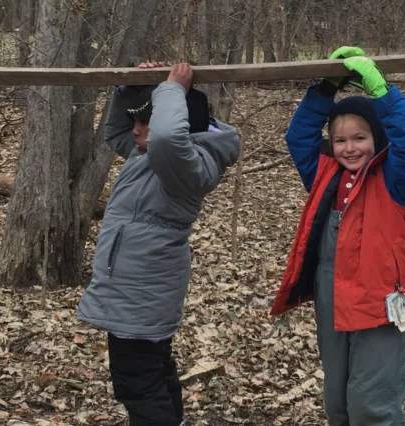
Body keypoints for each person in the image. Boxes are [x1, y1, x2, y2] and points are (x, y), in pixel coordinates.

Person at [269, 46, 405, 426]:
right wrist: (325, 88)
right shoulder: (325, 176)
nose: (349, 148)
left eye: (359, 138)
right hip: (331, 292)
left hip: (376, 298)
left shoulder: (395, 182)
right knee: (338, 402)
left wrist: (382, 93)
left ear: (377, 138)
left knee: (371, 404)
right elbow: (298, 137)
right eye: (340, 140)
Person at [77, 62, 241, 426]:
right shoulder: (148, 155)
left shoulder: (187, 166)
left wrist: (171, 89)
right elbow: (118, 130)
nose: (135, 132)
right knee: (155, 372)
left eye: (143, 125)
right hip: (137, 291)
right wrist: (131, 90)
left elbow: (166, 137)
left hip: (141, 292)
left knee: (137, 383)